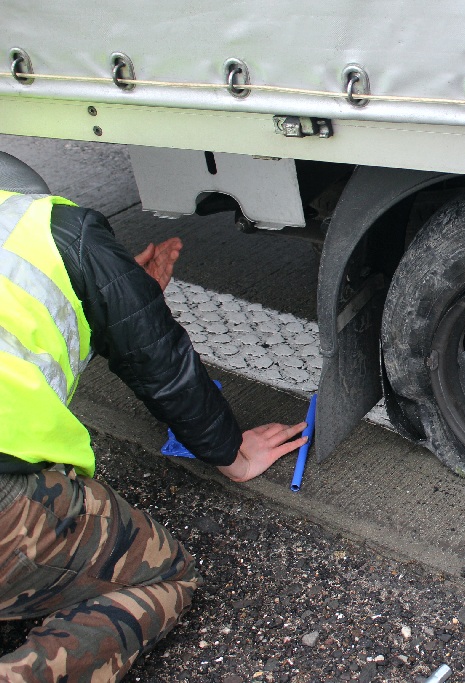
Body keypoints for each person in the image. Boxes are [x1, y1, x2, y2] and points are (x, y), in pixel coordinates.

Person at [0, 150, 308, 682]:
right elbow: (161, 363)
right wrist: (230, 451)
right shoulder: (53, 228)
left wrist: (112, 298)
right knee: (164, 575)